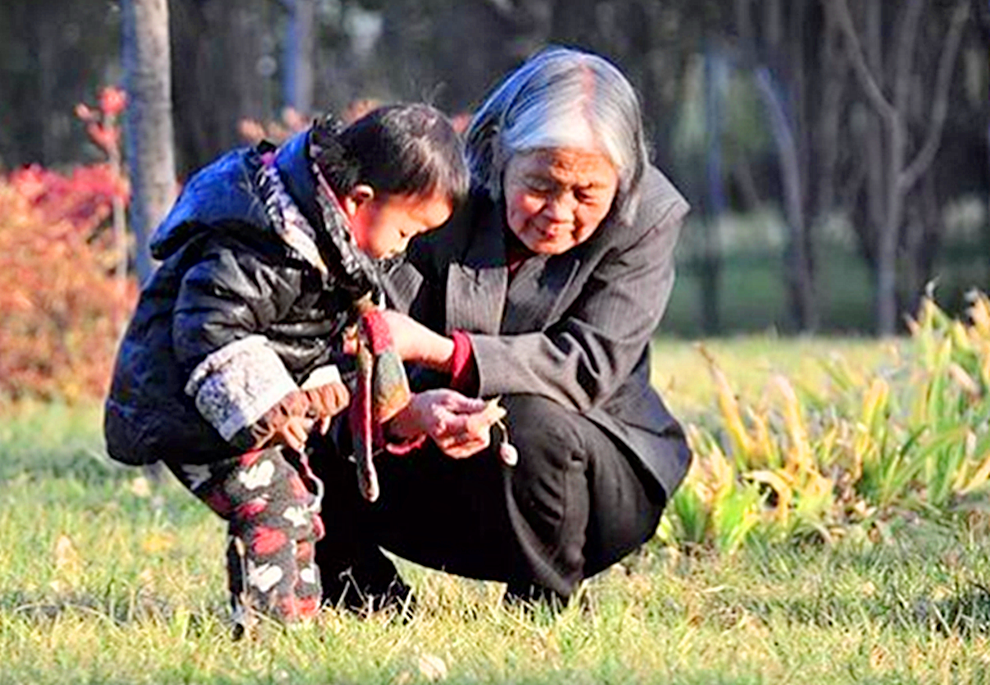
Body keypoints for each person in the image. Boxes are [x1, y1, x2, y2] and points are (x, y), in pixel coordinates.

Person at [312, 47, 693, 609]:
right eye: (540, 184)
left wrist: (446, 353)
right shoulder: (433, 189)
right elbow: (355, 328)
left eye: (587, 194)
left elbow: (589, 366)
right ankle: (363, 593)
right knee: (301, 401)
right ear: (498, 154)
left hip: (585, 481)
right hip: (415, 452)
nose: (559, 212)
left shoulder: (648, 215)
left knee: (532, 416)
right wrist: (409, 409)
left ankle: (541, 602)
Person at [103, 104, 488, 629]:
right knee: (273, 502)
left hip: (231, 411)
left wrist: (324, 382)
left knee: (298, 501)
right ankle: (270, 625)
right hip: (194, 409)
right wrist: (271, 402)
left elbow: (303, 335)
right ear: (360, 201)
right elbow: (208, 327)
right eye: (406, 232)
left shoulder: (327, 251)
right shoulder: (265, 242)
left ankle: (298, 612)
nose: (404, 249)